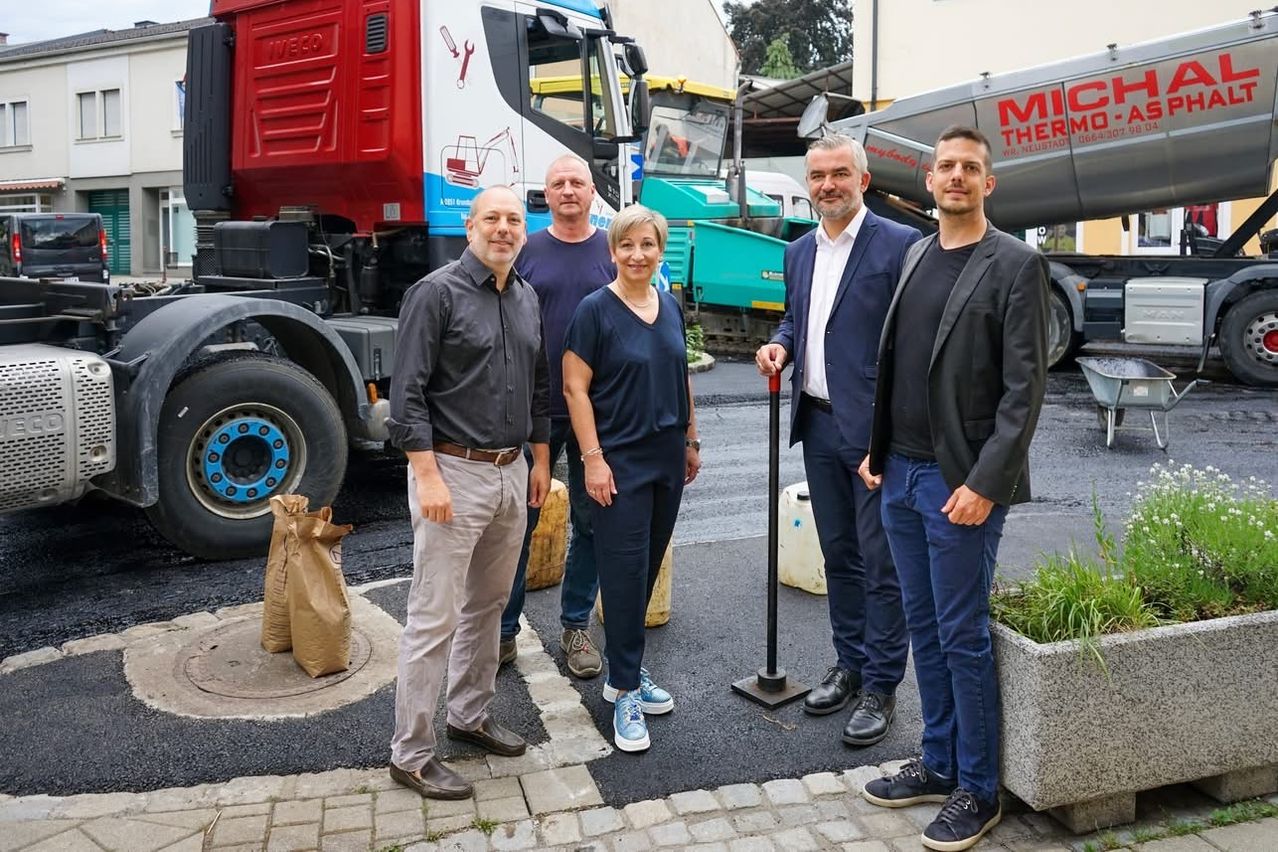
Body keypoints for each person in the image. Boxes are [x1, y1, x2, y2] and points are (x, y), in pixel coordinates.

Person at [858, 125, 1049, 851]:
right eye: (947, 167)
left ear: (988, 184)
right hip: (900, 474)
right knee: (925, 627)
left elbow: (1023, 391)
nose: (958, 177)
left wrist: (984, 483)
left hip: (959, 481)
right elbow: (899, 361)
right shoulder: (915, 254)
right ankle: (937, 763)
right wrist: (877, 452)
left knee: (962, 636)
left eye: (971, 168)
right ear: (929, 181)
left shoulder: (1015, 265)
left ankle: (978, 787)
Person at [386, 185, 551, 800]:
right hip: (452, 473)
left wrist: (538, 459)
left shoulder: (527, 297)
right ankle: (411, 752)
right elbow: (406, 395)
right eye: (492, 218)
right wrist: (427, 475)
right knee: (434, 616)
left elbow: (537, 387)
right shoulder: (436, 293)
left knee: (488, 606)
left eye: (513, 219)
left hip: (511, 472)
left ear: (523, 231)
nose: (503, 228)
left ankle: (470, 715)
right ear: (470, 225)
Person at [755, 133, 919, 747]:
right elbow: (798, 317)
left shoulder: (900, 245)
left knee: (884, 564)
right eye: (817, 175)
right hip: (817, 423)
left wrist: (892, 434)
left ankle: (881, 685)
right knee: (841, 557)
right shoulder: (799, 251)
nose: (827, 185)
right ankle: (849, 665)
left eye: (839, 174)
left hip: (875, 433)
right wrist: (782, 344)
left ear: (863, 179)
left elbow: (910, 341)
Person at [561, 204, 701, 753]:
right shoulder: (594, 311)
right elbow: (575, 390)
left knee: (643, 571)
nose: (638, 255)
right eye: (627, 246)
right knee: (620, 572)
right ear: (612, 251)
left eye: (648, 245)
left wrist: (690, 439)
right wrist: (593, 459)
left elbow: (680, 373)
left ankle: (628, 665)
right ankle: (622, 691)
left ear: (660, 249)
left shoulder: (668, 306)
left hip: (666, 457)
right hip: (617, 461)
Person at [500, 155, 616, 679]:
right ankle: (503, 631)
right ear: (545, 196)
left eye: (577, 182)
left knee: (591, 521)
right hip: (534, 409)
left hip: (598, 410)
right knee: (518, 522)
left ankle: (575, 627)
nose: (568, 190)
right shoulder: (526, 251)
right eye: (558, 184)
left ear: (593, 192)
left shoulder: (614, 250)